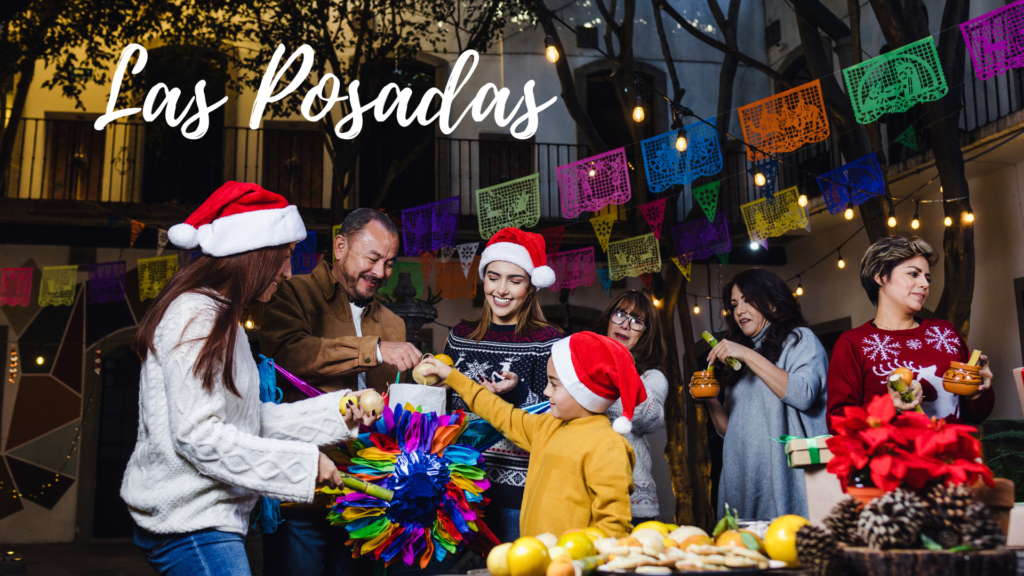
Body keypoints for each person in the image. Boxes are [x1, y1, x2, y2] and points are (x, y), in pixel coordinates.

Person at [121, 182, 378, 576]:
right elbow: (200, 437)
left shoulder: (224, 321)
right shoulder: (197, 316)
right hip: (190, 524)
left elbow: (247, 422)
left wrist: (342, 413)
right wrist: (303, 467)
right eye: (285, 257)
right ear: (253, 255)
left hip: (207, 520)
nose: (289, 272)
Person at [258, 208, 424, 576]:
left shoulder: (394, 322)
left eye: (390, 263)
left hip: (366, 498)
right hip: (302, 493)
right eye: (373, 258)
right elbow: (290, 352)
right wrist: (375, 350)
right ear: (340, 246)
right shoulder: (291, 294)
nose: (381, 273)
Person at [421, 331, 641, 538]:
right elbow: (499, 412)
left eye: (554, 384)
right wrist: (452, 376)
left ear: (583, 391)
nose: (546, 391)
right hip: (535, 559)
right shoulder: (547, 425)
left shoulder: (608, 446)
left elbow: (614, 527)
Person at [442, 227, 562, 543]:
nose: (502, 289)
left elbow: (557, 417)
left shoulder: (549, 342)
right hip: (456, 487)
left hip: (517, 493)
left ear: (531, 287)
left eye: (515, 280)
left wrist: (518, 392)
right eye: (493, 277)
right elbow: (442, 408)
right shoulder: (459, 336)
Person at [693, 269, 829, 520]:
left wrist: (746, 355)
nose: (739, 310)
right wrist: (710, 398)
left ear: (772, 302)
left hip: (783, 477)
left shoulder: (800, 340)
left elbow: (804, 395)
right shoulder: (741, 362)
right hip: (743, 480)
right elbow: (729, 430)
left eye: (747, 300)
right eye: (735, 305)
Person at [827, 236, 994, 430]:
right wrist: (887, 407)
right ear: (880, 277)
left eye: (927, 277)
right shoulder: (852, 343)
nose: (925, 283)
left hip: (952, 457)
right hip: (893, 459)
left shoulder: (945, 332)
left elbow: (977, 415)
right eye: (914, 274)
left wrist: (978, 393)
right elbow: (837, 423)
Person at [594, 290, 668, 526]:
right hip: (585, 492)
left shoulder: (651, 377)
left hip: (633, 502)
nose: (625, 325)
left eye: (637, 321)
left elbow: (650, 419)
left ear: (646, 332)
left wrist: (621, 366)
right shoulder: (583, 363)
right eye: (620, 314)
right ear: (609, 318)